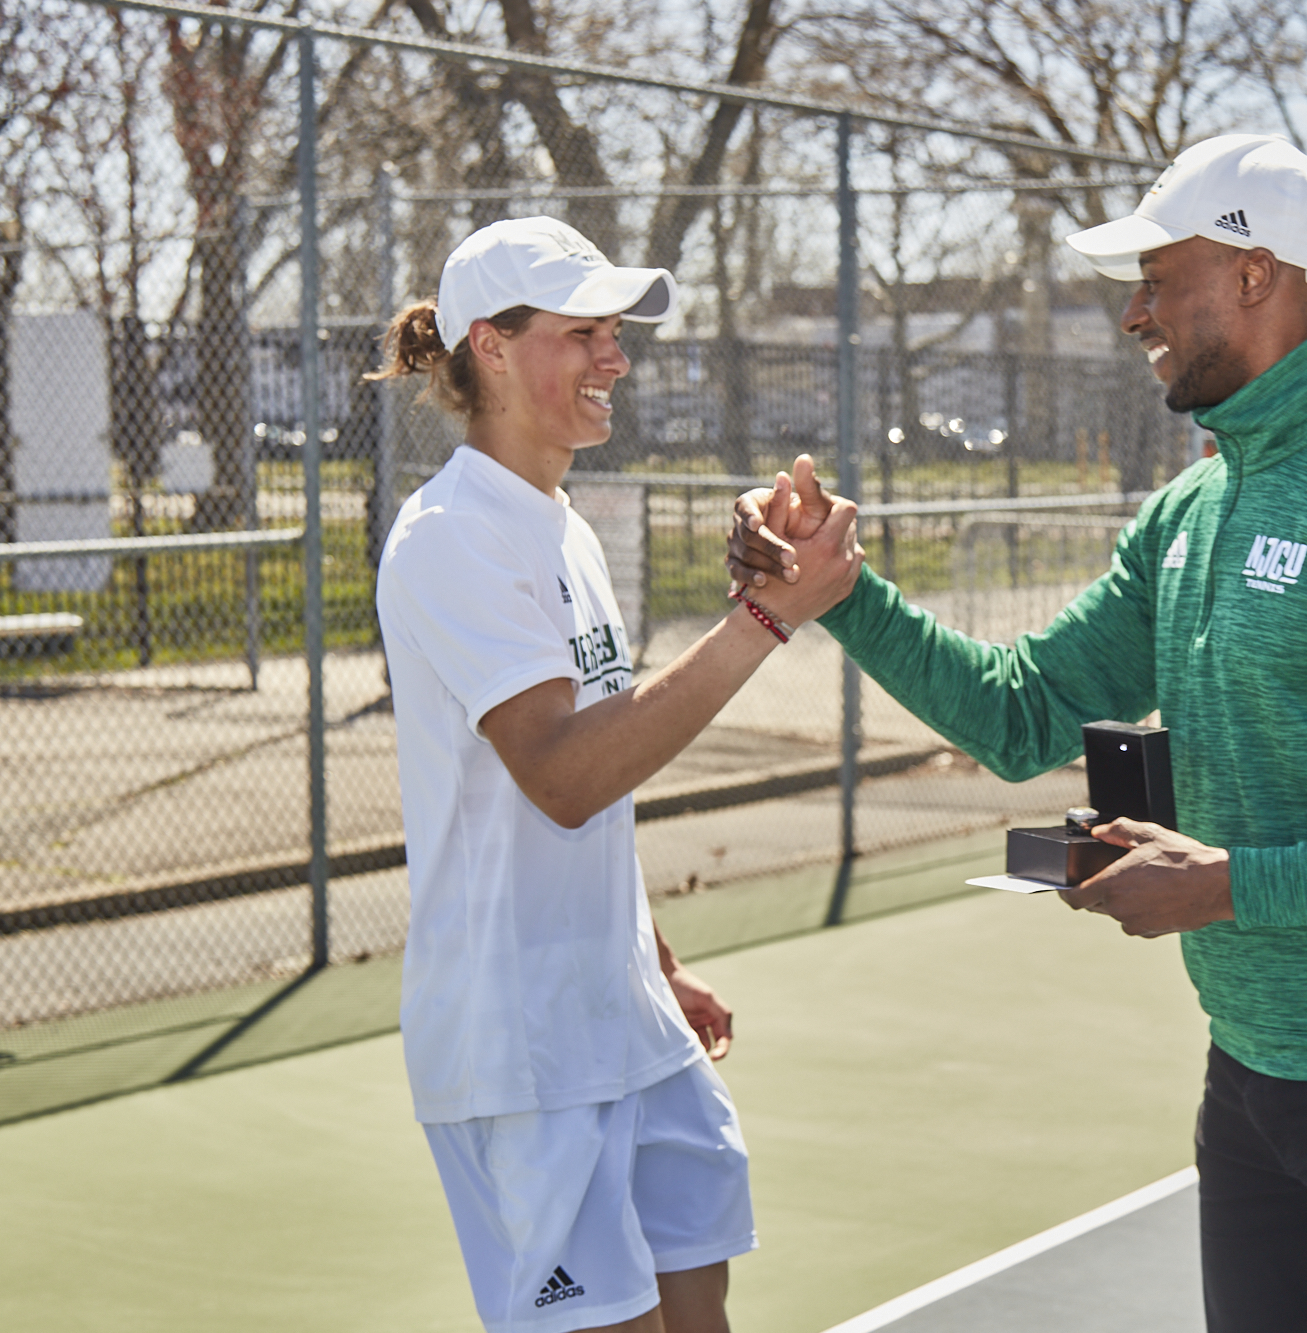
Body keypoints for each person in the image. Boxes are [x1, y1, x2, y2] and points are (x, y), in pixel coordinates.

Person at [727, 135, 1307, 1332]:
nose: (1135, 313)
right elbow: (1021, 710)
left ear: (1251, 274)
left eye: (1157, 278)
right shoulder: (1192, 505)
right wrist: (841, 593)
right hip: (1248, 1083)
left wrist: (1230, 884)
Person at [372, 216, 862, 1333]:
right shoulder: (449, 535)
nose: (616, 357)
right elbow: (561, 775)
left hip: (622, 1024)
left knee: (701, 1312)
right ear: (490, 348)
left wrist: (656, 961)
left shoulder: (568, 529)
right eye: (584, 331)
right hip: (522, 1057)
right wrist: (764, 619)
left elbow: (601, 782)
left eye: (615, 332)